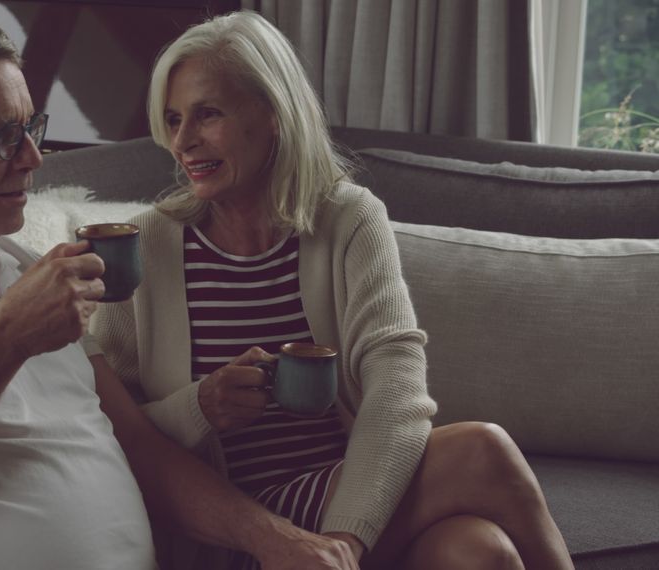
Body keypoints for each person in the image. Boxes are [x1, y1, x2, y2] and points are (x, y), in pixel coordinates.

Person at [0, 7, 364, 570]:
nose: (31, 158)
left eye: (31, 128)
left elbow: (141, 449)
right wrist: (2, 339)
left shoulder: (22, 269)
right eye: (0, 136)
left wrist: (276, 540)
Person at [91, 10, 575, 570]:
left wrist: (343, 542)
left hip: (341, 503)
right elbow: (109, 423)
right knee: (484, 452)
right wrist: (197, 408)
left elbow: (397, 392)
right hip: (224, 529)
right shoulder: (148, 243)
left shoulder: (349, 221)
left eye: (208, 114)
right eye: (174, 119)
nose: (183, 141)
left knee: (477, 550)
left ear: (272, 113)